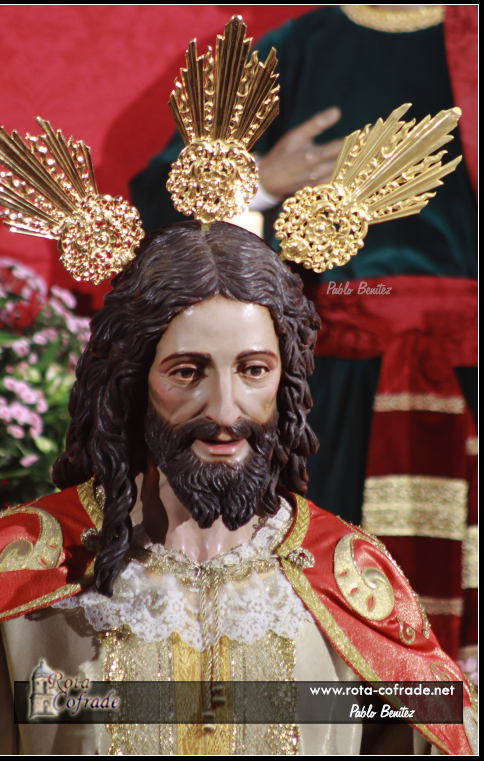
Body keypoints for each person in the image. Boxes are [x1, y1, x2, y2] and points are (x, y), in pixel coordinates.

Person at [0, 222, 476, 755]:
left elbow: (439, 732)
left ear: (285, 379)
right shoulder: (23, 572)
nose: (223, 410)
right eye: (187, 372)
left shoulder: (345, 577)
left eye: (253, 370)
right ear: (132, 380)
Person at [129, 4, 478, 665]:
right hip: (336, 376)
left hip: (468, 365)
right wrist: (258, 182)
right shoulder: (287, 53)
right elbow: (157, 197)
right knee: (323, 598)